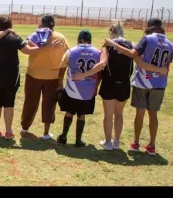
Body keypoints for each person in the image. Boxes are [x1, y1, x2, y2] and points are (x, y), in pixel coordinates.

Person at [72, 21, 167, 150]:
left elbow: (103, 63)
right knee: (119, 114)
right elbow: (137, 58)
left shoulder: (106, 45)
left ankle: (108, 142)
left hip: (109, 84)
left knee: (108, 115)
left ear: (111, 32)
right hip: (124, 84)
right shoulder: (131, 45)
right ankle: (116, 142)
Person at [103, 18, 172, 155]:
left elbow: (134, 56)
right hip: (159, 84)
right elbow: (167, 67)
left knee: (139, 113)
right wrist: (159, 71)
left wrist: (113, 45)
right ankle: (152, 145)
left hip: (143, 82)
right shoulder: (170, 44)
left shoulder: (147, 39)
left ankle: (135, 143)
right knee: (153, 115)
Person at [21, 14, 69, 140]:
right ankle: (46, 132)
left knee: (30, 102)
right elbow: (66, 59)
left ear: (42, 23)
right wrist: (60, 79)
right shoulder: (61, 38)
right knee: (49, 105)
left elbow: (28, 48)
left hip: (33, 74)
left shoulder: (36, 35)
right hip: (52, 76)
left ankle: (24, 128)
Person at [56, 30, 101, 147]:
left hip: (72, 89)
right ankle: (78, 140)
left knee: (69, 112)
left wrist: (60, 84)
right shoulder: (98, 52)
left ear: (79, 39)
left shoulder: (71, 51)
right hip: (88, 91)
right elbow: (100, 72)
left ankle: (64, 136)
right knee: (82, 114)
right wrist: (96, 86)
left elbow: (62, 69)